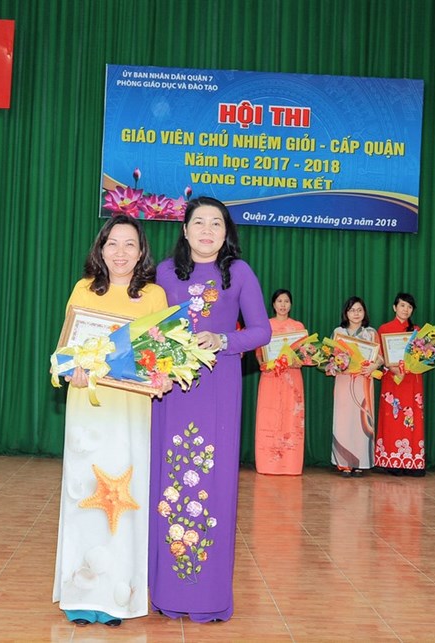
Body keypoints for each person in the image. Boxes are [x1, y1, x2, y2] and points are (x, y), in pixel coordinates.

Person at [148, 196, 270, 622]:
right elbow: (149, 327)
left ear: (226, 232)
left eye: (216, 223)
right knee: (169, 481)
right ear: (184, 230)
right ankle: (166, 592)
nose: (206, 230)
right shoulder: (164, 273)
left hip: (219, 387)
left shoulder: (239, 272)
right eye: (198, 222)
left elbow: (261, 330)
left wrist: (223, 340)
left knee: (213, 485)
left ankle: (208, 596)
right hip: (171, 391)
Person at [52, 215, 168, 626]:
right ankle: (81, 596)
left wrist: (161, 373)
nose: (120, 252)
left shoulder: (154, 296)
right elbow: (65, 351)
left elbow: (161, 357)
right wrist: (70, 369)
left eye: (129, 244)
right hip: (89, 413)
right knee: (84, 498)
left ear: (141, 252)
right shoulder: (84, 289)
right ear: (100, 249)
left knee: (125, 504)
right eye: (112, 243)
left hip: (130, 415)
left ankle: (117, 598)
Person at [254, 289, 307, 475]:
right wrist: (264, 363)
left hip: (292, 379)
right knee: (270, 418)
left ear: (291, 304)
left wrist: (298, 360)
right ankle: (267, 463)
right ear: (273, 304)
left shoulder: (298, 326)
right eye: (279, 301)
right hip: (270, 378)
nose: (283, 305)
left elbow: (304, 355)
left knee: (292, 417)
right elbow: (259, 353)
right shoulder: (266, 325)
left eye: (286, 301)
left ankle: (291, 464)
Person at [375, 293, 426, 476]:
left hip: (412, 380)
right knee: (393, 418)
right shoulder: (384, 329)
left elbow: (422, 355)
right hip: (393, 379)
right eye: (402, 305)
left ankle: (413, 462)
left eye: (409, 307)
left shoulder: (417, 331)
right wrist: (392, 367)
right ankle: (391, 461)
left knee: (412, 419)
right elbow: (380, 355)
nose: (406, 309)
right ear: (394, 307)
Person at [331, 296, 381, 477]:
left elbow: (380, 358)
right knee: (343, 421)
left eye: (359, 310)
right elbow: (331, 357)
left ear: (364, 312)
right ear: (346, 313)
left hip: (363, 382)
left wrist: (374, 366)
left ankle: (361, 463)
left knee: (362, 422)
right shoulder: (338, 332)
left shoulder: (371, 333)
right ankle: (344, 463)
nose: (356, 314)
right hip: (344, 382)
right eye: (352, 310)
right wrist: (336, 364)